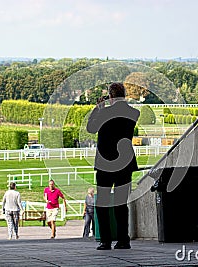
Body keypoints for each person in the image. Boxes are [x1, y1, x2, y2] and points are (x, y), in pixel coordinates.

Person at [86, 82, 140, 250]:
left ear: (110, 96)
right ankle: (124, 239)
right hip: (125, 162)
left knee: (102, 204)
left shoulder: (104, 112)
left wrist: (98, 109)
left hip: (105, 163)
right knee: (121, 204)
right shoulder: (133, 112)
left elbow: (91, 128)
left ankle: (106, 241)